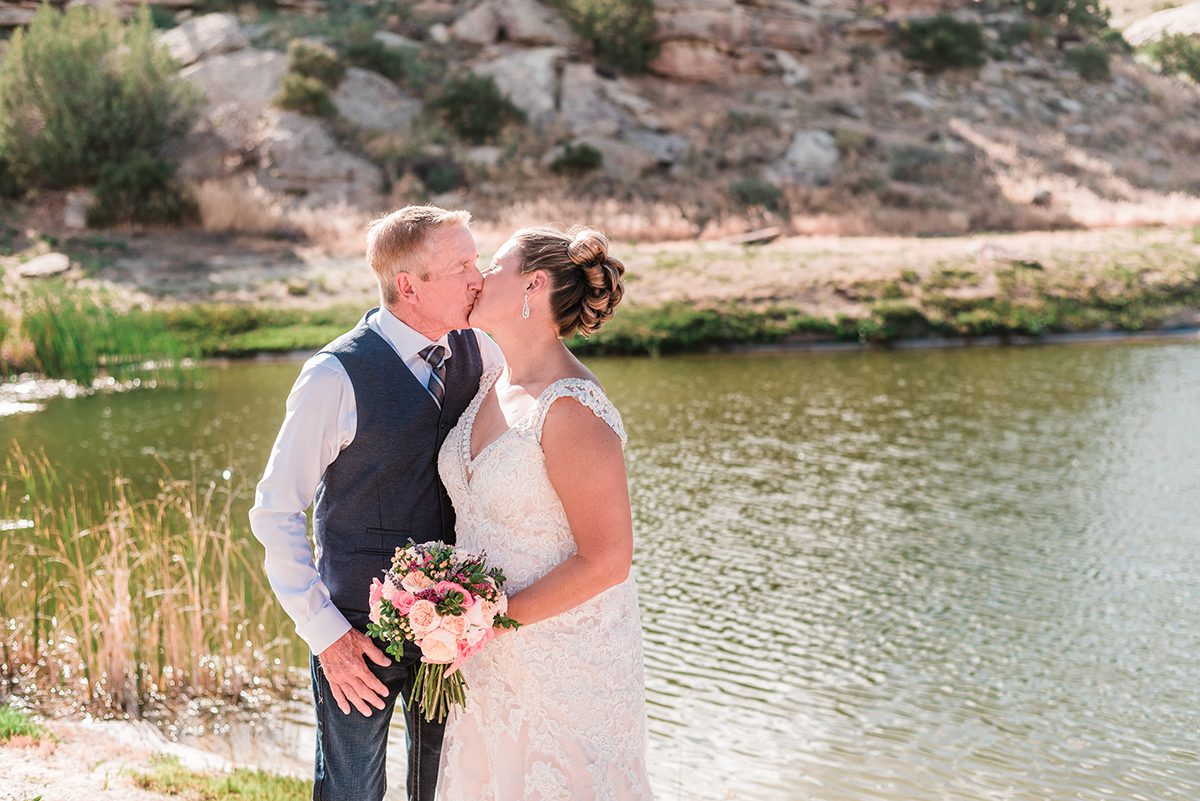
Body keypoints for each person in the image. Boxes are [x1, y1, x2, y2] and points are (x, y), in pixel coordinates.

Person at [249, 205, 503, 801]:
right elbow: (275, 511)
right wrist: (325, 634)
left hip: (457, 633)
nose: (478, 278)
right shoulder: (333, 377)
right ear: (408, 285)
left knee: (444, 788)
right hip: (356, 636)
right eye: (462, 264)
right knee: (351, 792)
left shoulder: (484, 355)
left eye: (478, 260)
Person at [434, 225, 654, 800]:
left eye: (495, 266)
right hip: (488, 661)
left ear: (533, 283)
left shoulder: (572, 408)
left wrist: (490, 622)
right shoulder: (489, 384)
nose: (479, 277)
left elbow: (608, 559)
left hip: (563, 662)